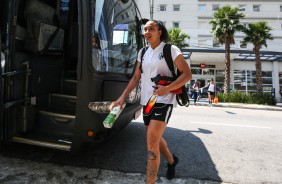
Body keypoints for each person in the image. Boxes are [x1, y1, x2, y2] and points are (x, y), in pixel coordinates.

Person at [112, 20, 192, 183]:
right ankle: (171, 160)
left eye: (152, 29)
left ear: (160, 31)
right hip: (147, 102)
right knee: (154, 137)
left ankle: (150, 181)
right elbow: (136, 77)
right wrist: (122, 98)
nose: (147, 32)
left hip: (164, 99)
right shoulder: (143, 52)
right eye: (145, 29)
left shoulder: (171, 49)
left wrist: (168, 88)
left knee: (151, 142)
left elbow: (187, 74)